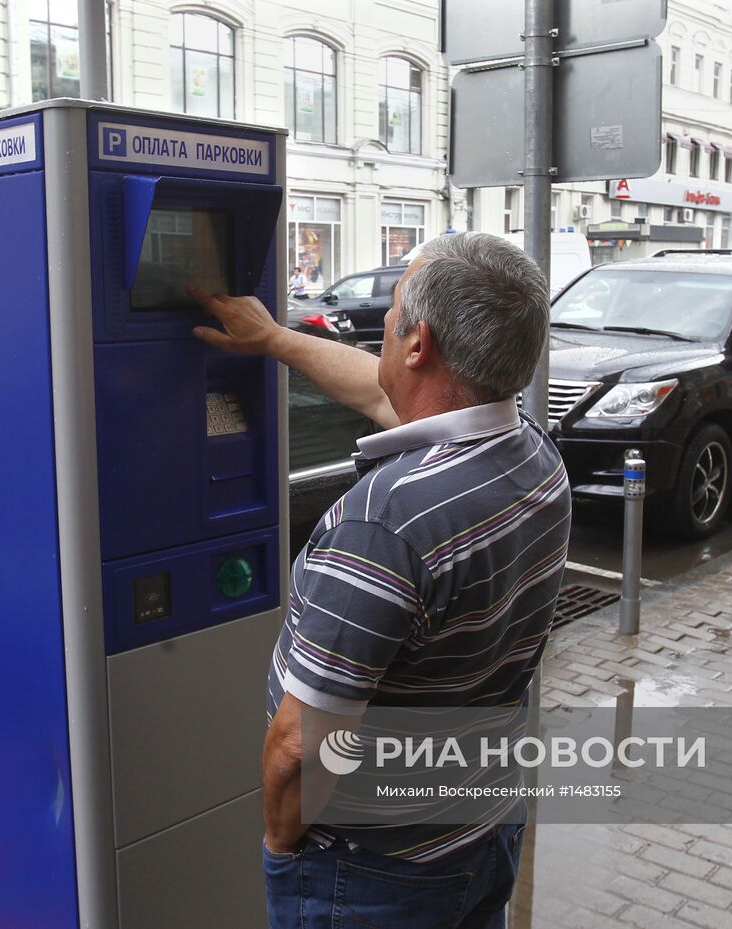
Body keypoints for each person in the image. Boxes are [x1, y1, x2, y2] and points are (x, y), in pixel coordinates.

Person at [188, 232, 571, 929]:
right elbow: (383, 387)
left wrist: (282, 844)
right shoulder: (533, 454)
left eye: (394, 315)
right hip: (480, 830)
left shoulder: (385, 522)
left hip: (373, 873)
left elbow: (299, 744)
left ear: (417, 342)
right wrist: (275, 338)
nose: (386, 335)